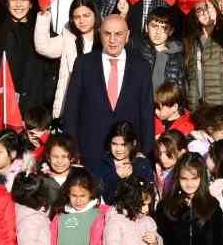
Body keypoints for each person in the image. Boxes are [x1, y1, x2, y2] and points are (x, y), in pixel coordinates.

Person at [60, 14, 155, 171]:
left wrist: (145, 152)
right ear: (99, 33)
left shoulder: (141, 67)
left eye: (118, 34)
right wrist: (72, 149)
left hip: (127, 156)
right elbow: (72, 109)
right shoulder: (84, 63)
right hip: (89, 152)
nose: (112, 39)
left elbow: (146, 112)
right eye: (107, 33)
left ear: (127, 36)